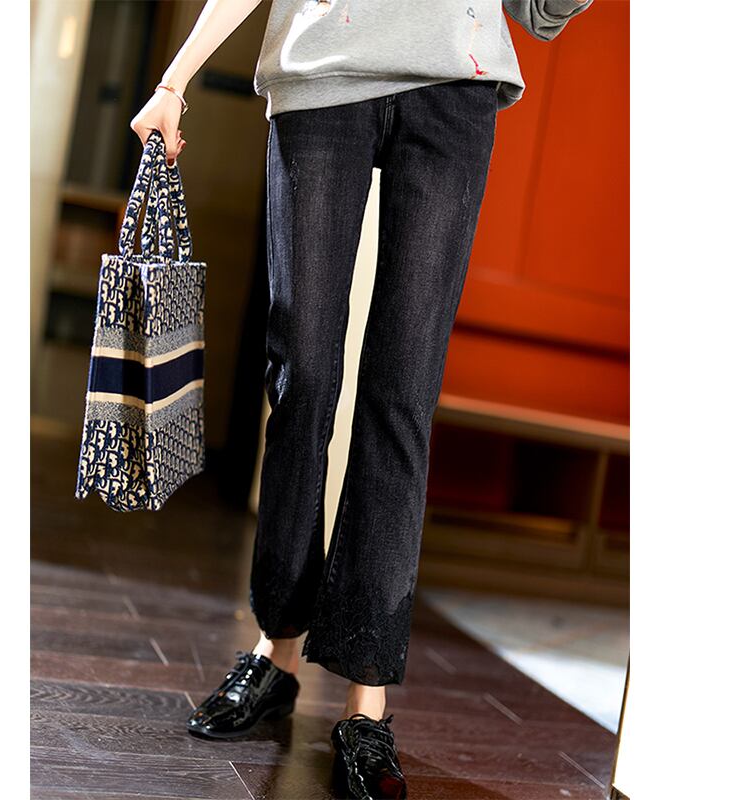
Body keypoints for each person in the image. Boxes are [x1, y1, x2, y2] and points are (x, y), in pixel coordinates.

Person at [131, 1, 593, 797]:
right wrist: (175, 80)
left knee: (401, 392)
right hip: (322, 72)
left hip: (454, 86)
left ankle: (366, 702)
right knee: (304, 373)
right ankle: (276, 649)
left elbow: (540, 11)